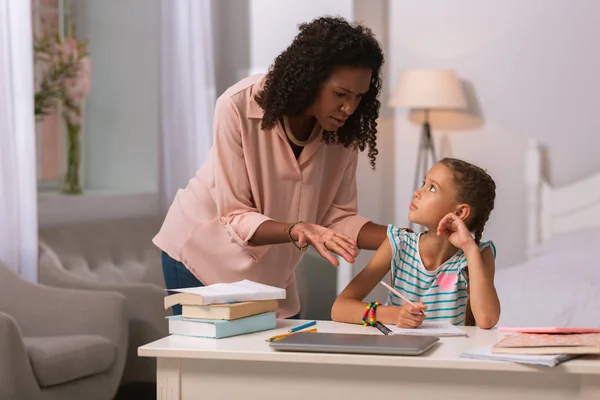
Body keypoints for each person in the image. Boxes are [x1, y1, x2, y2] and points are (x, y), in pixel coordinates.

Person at [154, 16, 389, 318]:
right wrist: (297, 228)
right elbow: (235, 214)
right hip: (199, 256)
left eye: (359, 97)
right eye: (341, 94)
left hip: (270, 271)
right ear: (310, 78)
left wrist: (406, 239)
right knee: (212, 365)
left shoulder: (343, 133)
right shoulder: (236, 106)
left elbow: (337, 218)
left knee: (275, 363)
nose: (350, 108)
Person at [331, 158, 501, 329]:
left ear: (459, 212)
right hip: (400, 353)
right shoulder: (399, 244)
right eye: (423, 183)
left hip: (449, 354)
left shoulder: (478, 254)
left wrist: (469, 247)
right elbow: (340, 308)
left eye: (432, 188)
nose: (417, 193)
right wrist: (395, 315)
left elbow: (487, 320)